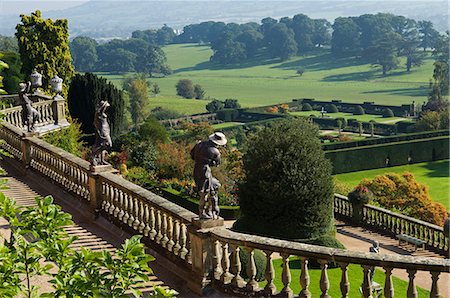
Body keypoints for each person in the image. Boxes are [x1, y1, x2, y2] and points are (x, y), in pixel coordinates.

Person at [190, 132, 227, 219]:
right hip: (205, 171)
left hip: (196, 169)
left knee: (214, 186)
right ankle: (202, 212)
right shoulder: (215, 151)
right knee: (205, 192)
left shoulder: (199, 144)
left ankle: (208, 210)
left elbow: (192, 155)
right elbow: (216, 164)